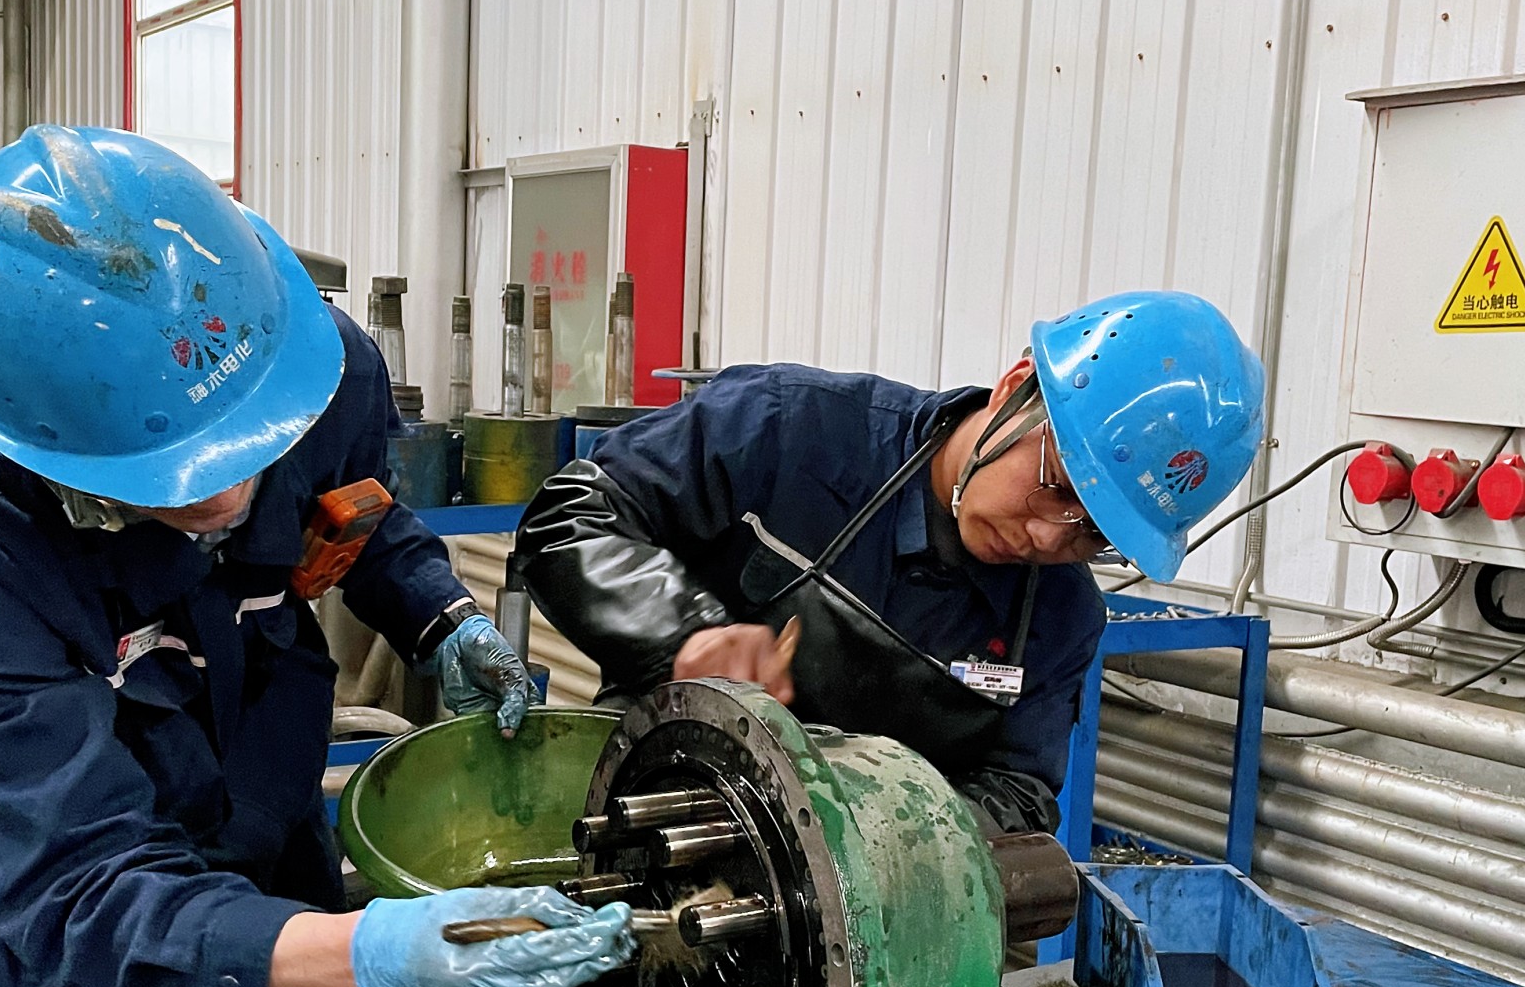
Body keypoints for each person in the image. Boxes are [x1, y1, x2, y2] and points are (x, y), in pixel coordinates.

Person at [0, 127, 635, 987]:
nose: (231, 495)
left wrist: (439, 615)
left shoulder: (311, 364)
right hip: (103, 955)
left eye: (251, 442)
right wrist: (370, 951)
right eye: (177, 475)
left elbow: (357, 512)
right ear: (54, 453)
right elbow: (80, 887)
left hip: (275, 831)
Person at [512, 294, 1266, 835]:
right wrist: (682, 634)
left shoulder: (1061, 619)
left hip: (850, 920)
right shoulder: (790, 429)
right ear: (1014, 392)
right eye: (1057, 487)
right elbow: (569, 517)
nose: (1046, 537)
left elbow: (1018, 791)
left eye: (1091, 533)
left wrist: (887, 843)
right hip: (649, 815)